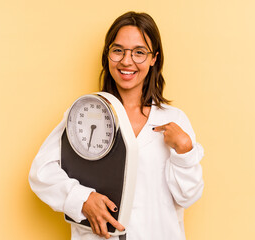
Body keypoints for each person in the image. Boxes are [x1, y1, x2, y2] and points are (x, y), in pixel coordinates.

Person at [29, 11, 204, 240]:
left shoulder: (174, 121)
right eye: (118, 50)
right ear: (107, 55)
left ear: (154, 59)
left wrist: (184, 151)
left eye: (139, 52)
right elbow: (41, 173)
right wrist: (82, 198)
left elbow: (188, 197)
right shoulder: (84, 114)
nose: (126, 61)